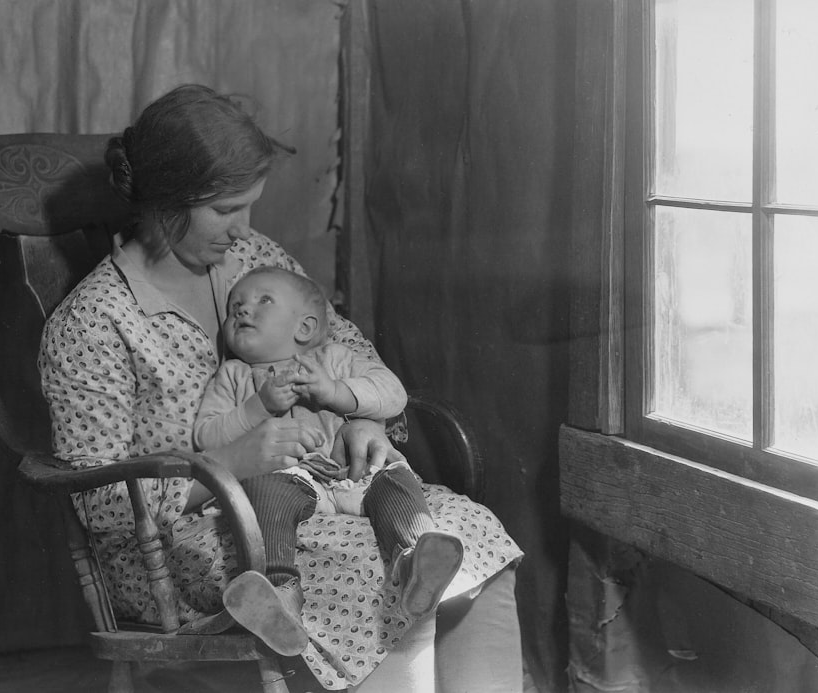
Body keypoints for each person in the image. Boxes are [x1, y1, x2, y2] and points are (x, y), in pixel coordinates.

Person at [38, 83, 524, 692]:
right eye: (227, 209)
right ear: (166, 202)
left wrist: (364, 419)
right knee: (367, 574)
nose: (244, 229)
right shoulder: (95, 321)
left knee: (463, 531)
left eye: (249, 207)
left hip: (322, 487)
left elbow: (345, 351)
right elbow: (101, 506)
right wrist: (230, 461)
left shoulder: (253, 263)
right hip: (184, 538)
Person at [193, 266, 465, 655]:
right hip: (291, 481)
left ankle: (415, 565)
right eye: (235, 305)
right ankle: (281, 592)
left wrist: (336, 392)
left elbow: (393, 394)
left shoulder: (335, 359)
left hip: (352, 474)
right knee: (262, 489)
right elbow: (207, 435)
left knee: (393, 475)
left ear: (304, 328)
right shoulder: (233, 376)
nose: (241, 310)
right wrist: (258, 406)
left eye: (261, 300)